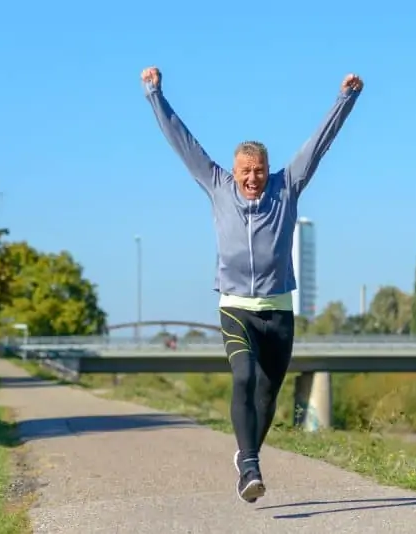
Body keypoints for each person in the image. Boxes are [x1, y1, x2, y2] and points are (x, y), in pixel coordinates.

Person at [141, 66, 363, 503]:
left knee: (267, 395)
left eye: (258, 170)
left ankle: (248, 455)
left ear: (267, 169)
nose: (251, 178)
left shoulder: (287, 186)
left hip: (279, 311)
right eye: (245, 170)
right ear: (234, 169)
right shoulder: (217, 184)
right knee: (243, 376)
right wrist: (154, 94)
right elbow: (182, 141)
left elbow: (319, 145)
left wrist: (345, 99)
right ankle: (249, 466)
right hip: (236, 307)